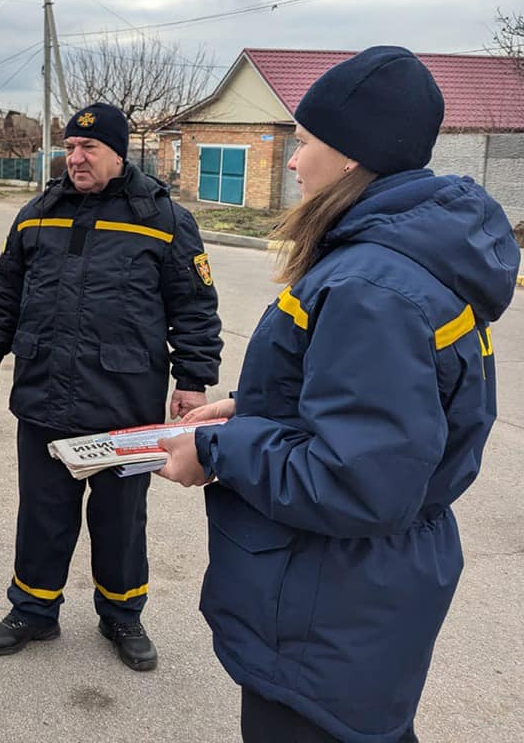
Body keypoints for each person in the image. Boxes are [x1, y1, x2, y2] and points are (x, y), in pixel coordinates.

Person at [156, 47, 521, 742]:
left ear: (353, 154)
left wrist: (216, 448)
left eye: (304, 141)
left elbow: (359, 482)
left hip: (327, 605)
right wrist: (253, 407)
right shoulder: (394, 262)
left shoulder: (371, 285)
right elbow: (372, 417)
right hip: (359, 596)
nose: (293, 161)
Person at [0, 102, 223, 670]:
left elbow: (195, 307)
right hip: (42, 392)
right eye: (70, 147)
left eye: (88, 149)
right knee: (42, 509)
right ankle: (33, 610)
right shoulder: (39, 211)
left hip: (124, 400)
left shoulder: (163, 219)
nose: (75, 158)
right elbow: (7, 286)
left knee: (120, 517)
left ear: (118, 152)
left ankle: (122, 615)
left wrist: (193, 380)